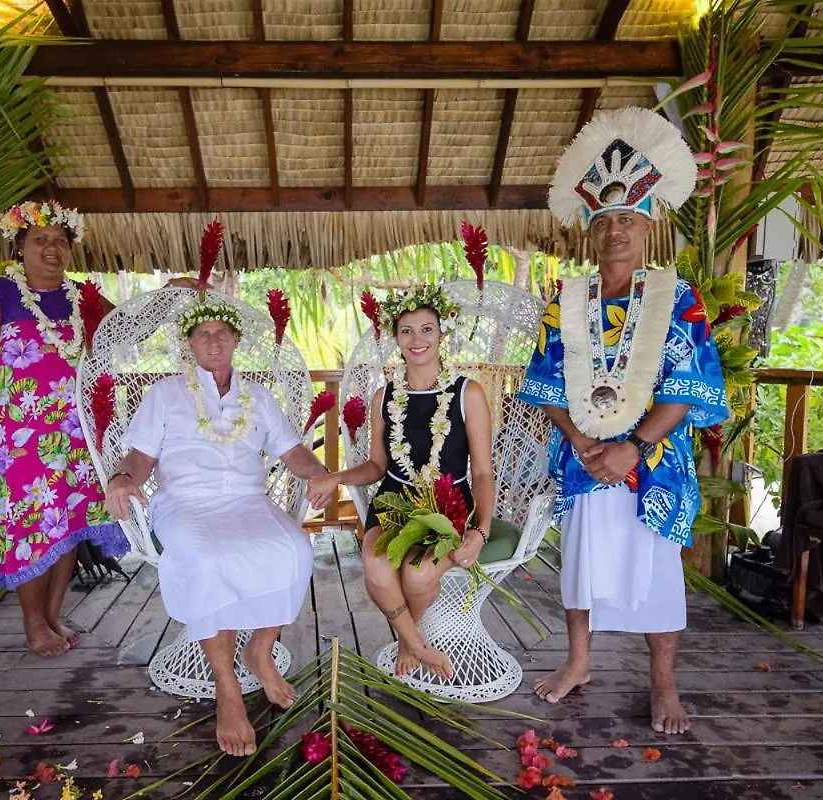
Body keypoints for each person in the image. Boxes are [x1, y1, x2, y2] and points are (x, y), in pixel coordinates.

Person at [518, 107, 728, 735]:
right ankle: (578, 661)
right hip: (583, 457)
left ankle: (663, 684)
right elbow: (544, 382)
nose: (615, 231)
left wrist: (634, 446)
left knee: (657, 572)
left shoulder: (678, 297)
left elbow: (690, 386)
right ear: (591, 228)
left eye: (627, 219)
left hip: (651, 462)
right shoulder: (568, 299)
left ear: (648, 223)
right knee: (581, 563)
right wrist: (582, 439)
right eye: (604, 220)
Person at [104, 296, 327, 758]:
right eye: (202, 333)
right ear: (189, 343)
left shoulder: (259, 397)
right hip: (185, 503)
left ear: (236, 341)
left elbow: (292, 451)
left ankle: (259, 652)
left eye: (221, 332)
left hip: (248, 500)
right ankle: (226, 686)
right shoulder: (165, 394)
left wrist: (319, 471)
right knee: (206, 561)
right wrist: (123, 478)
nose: (213, 340)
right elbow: (142, 456)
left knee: (296, 551)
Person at [0, 201, 130, 658]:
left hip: (76, 437)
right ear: (20, 246)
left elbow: (127, 329)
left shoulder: (83, 298)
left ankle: (53, 615)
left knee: (67, 524)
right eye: (40, 241)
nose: (52, 250)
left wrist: (173, 294)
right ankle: (34, 623)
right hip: (17, 440)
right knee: (30, 526)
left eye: (60, 241)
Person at [306, 285, 499, 681]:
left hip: (449, 502)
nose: (417, 340)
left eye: (427, 330)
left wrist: (480, 532)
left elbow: (482, 472)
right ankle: (419, 646)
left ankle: (407, 640)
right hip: (394, 499)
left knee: (418, 573)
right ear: (395, 337)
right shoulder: (385, 397)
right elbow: (377, 465)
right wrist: (337, 476)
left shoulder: (468, 393)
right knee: (376, 565)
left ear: (442, 335)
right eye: (407, 331)